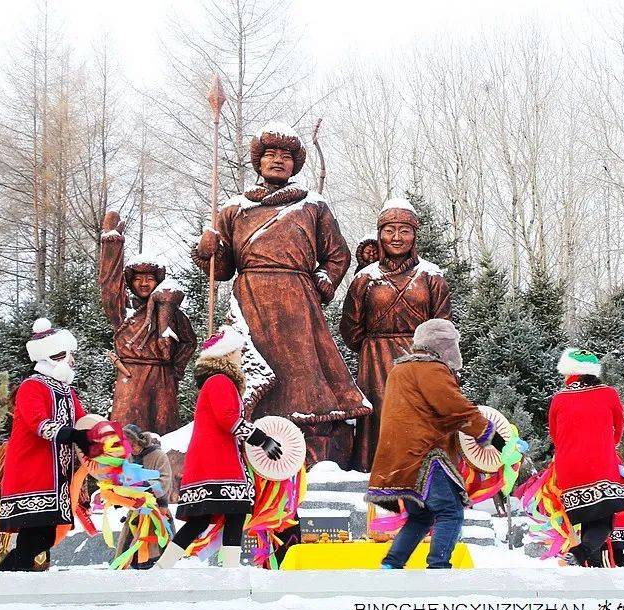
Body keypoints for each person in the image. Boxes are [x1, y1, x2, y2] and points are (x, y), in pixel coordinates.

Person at [192, 122, 369, 468]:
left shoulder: (312, 206)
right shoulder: (234, 209)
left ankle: (313, 439)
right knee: (253, 368)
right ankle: (251, 430)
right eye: (270, 154)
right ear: (258, 161)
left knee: (305, 371)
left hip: (297, 301)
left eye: (285, 156)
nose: (277, 161)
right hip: (250, 298)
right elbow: (223, 269)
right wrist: (207, 250)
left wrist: (324, 280)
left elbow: (337, 255)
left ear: (295, 164)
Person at [366, 319, 500, 569]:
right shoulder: (431, 369)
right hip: (424, 455)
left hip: (399, 458)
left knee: (422, 516)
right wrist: (492, 435)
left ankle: (391, 566)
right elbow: (454, 408)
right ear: (442, 346)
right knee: (450, 512)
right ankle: (439, 568)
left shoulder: (400, 370)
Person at [156, 326, 282, 569]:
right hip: (218, 464)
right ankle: (230, 569)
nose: (240, 356)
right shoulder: (221, 381)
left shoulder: (215, 382)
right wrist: (261, 438)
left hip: (212, 462)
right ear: (226, 354)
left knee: (202, 520)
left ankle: (163, 566)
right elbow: (228, 419)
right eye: (237, 352)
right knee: (233, 513)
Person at [340, 199, 452, 471]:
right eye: (390, 231)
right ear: (380, 234)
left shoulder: (430, 276)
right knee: (380, 414)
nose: (397, 238)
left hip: (420, 360)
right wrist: (372, 346)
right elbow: (351, 327)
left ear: (415, 235)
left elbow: (443, 324)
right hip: (376, 359)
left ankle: (423, 475)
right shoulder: (365, 278)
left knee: (418, 415)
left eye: (404, 231)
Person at [0, 318, 95, 571]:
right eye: (65, 356)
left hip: (57, 476)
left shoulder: (66, 390)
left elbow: (83, 422)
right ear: (51, 357)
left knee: (46, 535)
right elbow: (38, 424)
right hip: (33, 471)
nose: (71, 361)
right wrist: (73, 435)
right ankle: (7, 577)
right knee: (35, 535)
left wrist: (99, 437)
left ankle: (10, 576)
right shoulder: (31, 386)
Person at [99, 211, 197, 435]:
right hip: (131, 376)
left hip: (163, 379)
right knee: (126, 434)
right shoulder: (124, 311)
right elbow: (109, 288)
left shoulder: (171, 312)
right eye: (138, 278)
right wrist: (112, 245)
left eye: (150, 278)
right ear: (131, 281)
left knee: (163, 433)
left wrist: (175, 369)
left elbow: (189, 342)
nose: (143, 283)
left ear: (158, 281)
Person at [550, 349, 624, 567]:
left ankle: (592, 565)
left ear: (572, 373)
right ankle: (581, 553)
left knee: (588, 517)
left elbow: (555, 434)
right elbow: (619, 427)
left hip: (569, 469)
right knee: (604, 520)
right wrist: (606, 446)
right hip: (600, 464)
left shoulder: (559, 398)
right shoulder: (608, 393)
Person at [114, 425, 174, 569]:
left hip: (156, 510)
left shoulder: (158, 455)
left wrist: (145, 484)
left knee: (153, 548)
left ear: (141, 442)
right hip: (136, 510)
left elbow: (165, 479)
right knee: (129, 549)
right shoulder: (128, 458)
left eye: (133, 445)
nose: (132, 450)